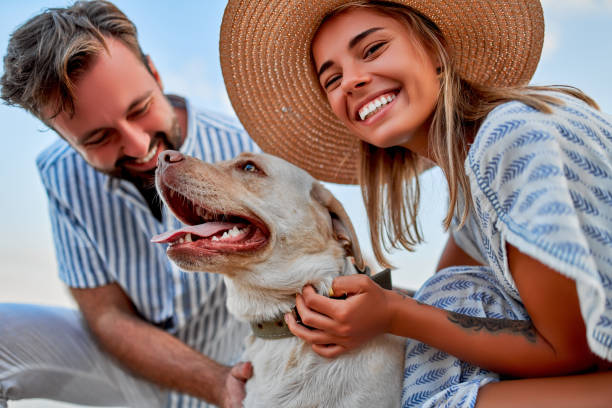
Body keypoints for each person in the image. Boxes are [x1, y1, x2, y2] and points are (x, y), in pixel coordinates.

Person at [219, 0, 612, 406]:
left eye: (372, 49)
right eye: (332, 79)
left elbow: (571, 350)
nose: (351, 80)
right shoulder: (472, 187)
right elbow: (431, 301)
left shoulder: (509, 142)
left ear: (435, 49)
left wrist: (392, 313)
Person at [0, 1, 259, 407]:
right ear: (65, 140)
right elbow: (106, 315)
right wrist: (214, 383)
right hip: (128, 373)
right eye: (99, 138)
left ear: (154, 74)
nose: (140, 148)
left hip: (249, 370)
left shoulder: (246, 151)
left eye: (139, 109)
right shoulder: (59, 173)